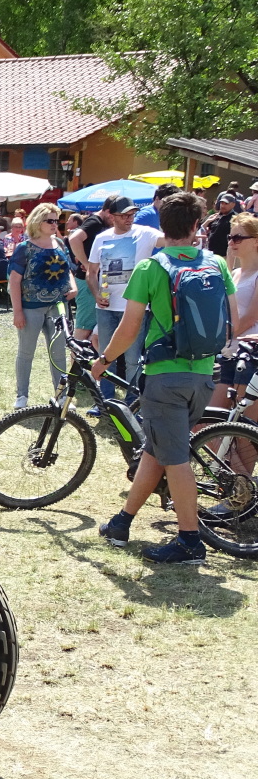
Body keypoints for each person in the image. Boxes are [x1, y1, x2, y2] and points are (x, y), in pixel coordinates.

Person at [96, 192, 239, 563]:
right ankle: (122, 523)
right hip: (203, 375)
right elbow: (233, 321)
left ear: (162, 225)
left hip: (164, 376)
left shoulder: (150, 267)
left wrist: (104, 360)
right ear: (196, 225)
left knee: (175, 459)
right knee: (158, 449)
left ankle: (190, 541)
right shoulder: (216, 263)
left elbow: (129, 328)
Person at [85, 195, 162, 402]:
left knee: (133, 359)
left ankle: (132, 403)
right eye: (124, 215)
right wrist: (96, 294)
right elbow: (91, 272)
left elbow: (171, 240)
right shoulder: (101, 238)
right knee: (105, 356)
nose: (129, 219)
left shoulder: (145, 233)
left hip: (134, 308)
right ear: (112, 216)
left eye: (132, 214)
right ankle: (105, 401)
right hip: (106, 308)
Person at [8, 203, 75, 407]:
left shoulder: (60, 244)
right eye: (50, 220)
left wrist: (73, 287)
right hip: (31, 307)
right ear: (38, 221)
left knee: (58, 354)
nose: (55, 224)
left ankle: (61, 395)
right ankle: (22, 396)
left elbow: (68, 270)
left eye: (57, 220)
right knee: (26, 352)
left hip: (58, 306)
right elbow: (14, 281)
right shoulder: (24, 248)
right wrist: (17, 312)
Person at [210, 212, 258, 413]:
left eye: (238, 238)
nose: (231, 242)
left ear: (255, 241)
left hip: (250, 357)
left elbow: (250, 317)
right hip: (228, 354)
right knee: (207, 421)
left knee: (243, 425)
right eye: (230, 237)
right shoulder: (236, 273)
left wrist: (221, 337)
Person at [69, 198, 119, 346]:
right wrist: (86, 263)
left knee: (91, 329)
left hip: (94, 280)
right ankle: (75, 360)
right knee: (84, 328)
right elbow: (74, 239)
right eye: (114, 216)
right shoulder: (95, 222)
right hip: (86, 282)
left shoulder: (99, 222)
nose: (115, 220)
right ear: (108, 212)